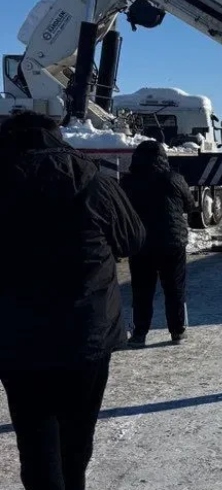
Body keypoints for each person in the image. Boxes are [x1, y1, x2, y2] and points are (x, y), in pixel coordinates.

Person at [0, 111, 146, 490]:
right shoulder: (94, 179)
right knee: (75, 444)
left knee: (36, 447)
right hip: (87, 334)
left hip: (15, 338)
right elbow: (132, 239)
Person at [120, 140, 197, 347]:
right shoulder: (174, 178)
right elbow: (190, 205)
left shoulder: (128, 182)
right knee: (174, 288)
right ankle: (177, 331)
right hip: (172, 243)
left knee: (142, 291)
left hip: (141, 245)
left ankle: (139, 334)